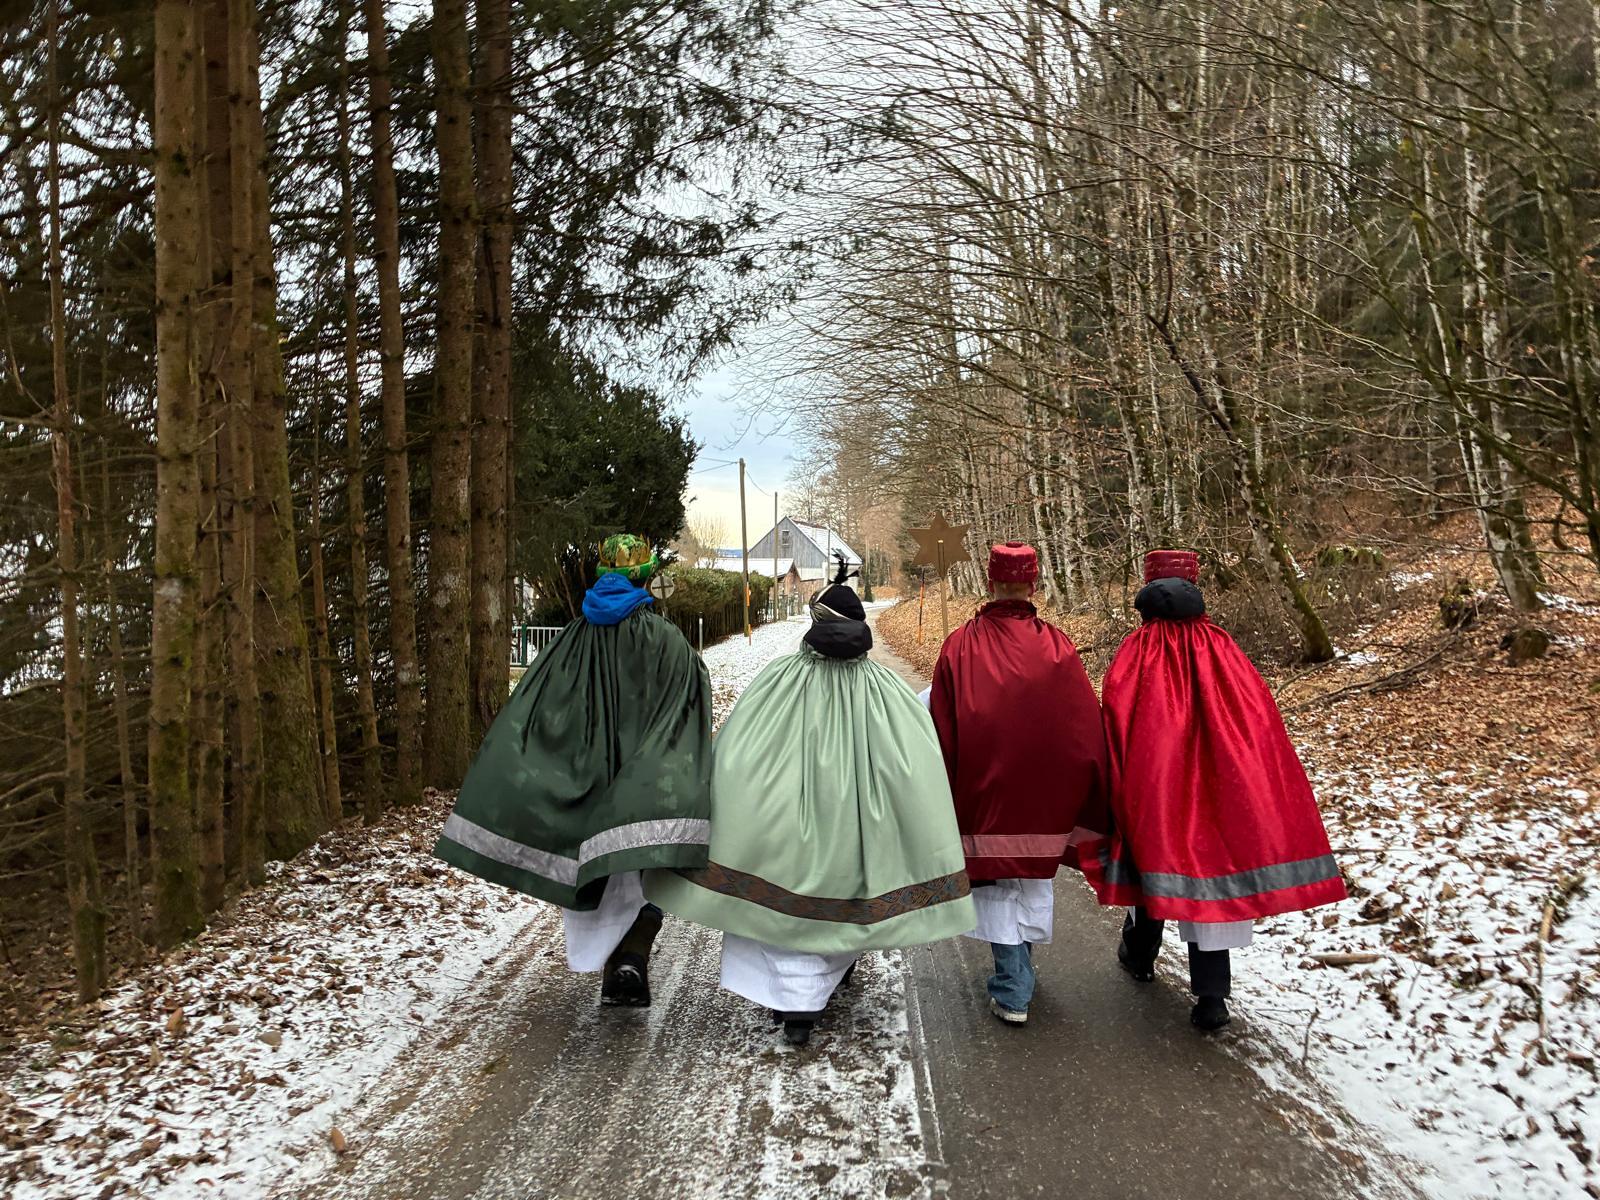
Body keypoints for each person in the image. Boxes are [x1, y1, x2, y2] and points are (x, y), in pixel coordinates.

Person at [647, 555, 976, 1046]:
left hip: (783, 836)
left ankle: (794, 1002)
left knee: (781, 895)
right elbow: (918, 767)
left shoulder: (775, 683)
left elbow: (736, 753)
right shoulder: (890, 695)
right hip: (856, 833)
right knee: (846, 894)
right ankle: (823, 982)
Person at [434, 533, 713, 1008]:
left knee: (597, 875)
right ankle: (630, 960)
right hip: (642, 781)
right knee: (641, 873)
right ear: (644, 576)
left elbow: (538, 708)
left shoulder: (569, 639)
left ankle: (618, 965)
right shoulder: (667, 641)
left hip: (584, 781)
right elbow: (686, 707)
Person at [1080, 549, 1348, 1031]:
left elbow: (1117, 715)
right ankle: (1211, 997)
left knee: (1153, 858)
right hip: (1222, 782)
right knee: (1211, 873)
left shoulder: (1137, 650)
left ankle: (1139, 955)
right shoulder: (1221, 645)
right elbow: (1257, 716)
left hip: (1157, 782)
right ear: (1195, 583)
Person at [928, 541, 1108, 1026]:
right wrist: (1083, 786)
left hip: (983, 787)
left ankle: (1013, 986)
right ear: (1034, 584)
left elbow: (941, 725)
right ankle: (1018, 974)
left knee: (997, 882)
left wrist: (943, 792)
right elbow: (1083, 723)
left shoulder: (960, 645)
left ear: (990, 582)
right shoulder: (1058, 646)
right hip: (1045, 793)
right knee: (1028, 876)